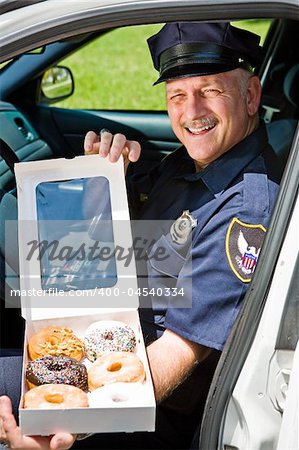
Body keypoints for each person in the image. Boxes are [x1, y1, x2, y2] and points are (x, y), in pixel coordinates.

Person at [0, 21, 282, 450]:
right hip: (105, 331)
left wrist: (78, 420)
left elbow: (180, 351)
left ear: (250, 96)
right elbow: (133, 233)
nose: (191, 113)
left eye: (210, 91)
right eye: (177, 96)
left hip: (143, 402)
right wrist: (105, 175)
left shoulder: (245, 211)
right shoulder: (190, 163)